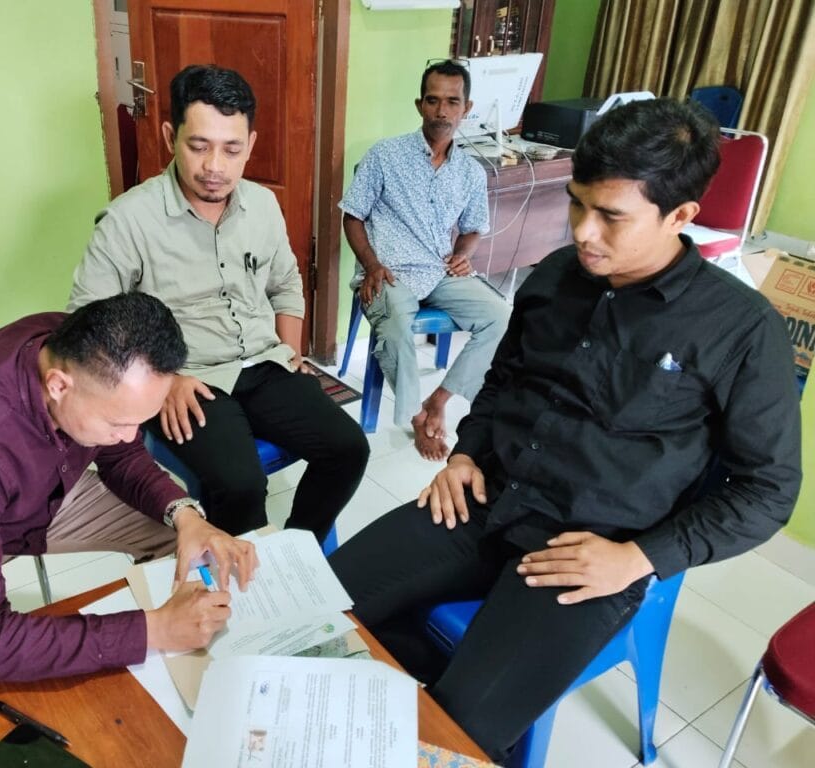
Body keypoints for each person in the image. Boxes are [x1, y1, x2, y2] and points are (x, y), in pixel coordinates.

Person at [329, 98, 802, 761]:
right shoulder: (556, 275)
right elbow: (504, 379)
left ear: (680, 216)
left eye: (611, 216)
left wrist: (639, 559)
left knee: (454, 733)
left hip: (588, 552)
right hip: (483, 501)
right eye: (578, 205)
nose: (583, 231)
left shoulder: (742, 329)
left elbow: (768, 491)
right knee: (317, 610)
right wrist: (466, 454)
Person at [0, 292, 258, 767]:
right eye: (119, 422)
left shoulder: (73, 344)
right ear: (58, 385)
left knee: (184, 543)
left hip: (35, 496)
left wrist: (187, 515)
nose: (129, 435)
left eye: (137, 421)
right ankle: (160, 637)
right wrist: (151, 630)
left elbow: (122, 455)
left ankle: (177, 688)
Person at [69, 64, 369, 542]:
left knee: (349, 448)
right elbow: (87, 324)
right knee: (239, 484)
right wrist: (162, 382)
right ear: (170, 137)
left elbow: (286, 283)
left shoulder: (262, 205)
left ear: (250, 144)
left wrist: (291, 352)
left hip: (264, 362)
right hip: (189, 377)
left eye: (231, 149)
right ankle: (246, 573)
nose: (215, 166)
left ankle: (298, 549)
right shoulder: (128, 221)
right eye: (199, 145)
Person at [340, 59, 511, 461]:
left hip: (438, 270)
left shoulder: (470, 172)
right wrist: (371, 264)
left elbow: (473, 229)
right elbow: (352, 216)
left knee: (501, 316)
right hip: (389, 271)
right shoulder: (385, 155)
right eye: (433, 101)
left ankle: (440, 399)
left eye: (452, 102)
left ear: (467, 109)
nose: (442, 111)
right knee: (396, 324)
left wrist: (463, 255)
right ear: (420, 105)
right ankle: (418, 417)